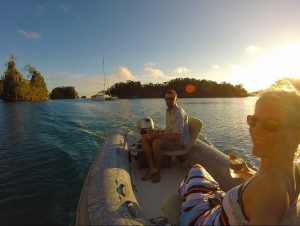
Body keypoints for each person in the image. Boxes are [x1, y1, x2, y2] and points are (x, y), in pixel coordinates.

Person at [178, 89, 300, 225]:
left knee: (196, 170)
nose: (256, 130)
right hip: (222, 212)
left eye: (270, 124)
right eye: (253, 120)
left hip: (202, 221)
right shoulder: (293, 169)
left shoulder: (270, 191)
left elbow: (269, 195)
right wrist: (247, 174)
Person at [141, 89, 190, 183]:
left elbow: (176, 137)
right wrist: (159, 131)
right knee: (145, 137)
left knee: (156, 142)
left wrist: (158, 135)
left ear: (176, 99)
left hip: (179, 143)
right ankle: (152, 168)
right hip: (172, 138)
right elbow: (170, 129)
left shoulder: (178, 113)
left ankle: (157, 171)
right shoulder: (169, 110)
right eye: (167, 99)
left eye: (172, 99)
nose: (169, 101)